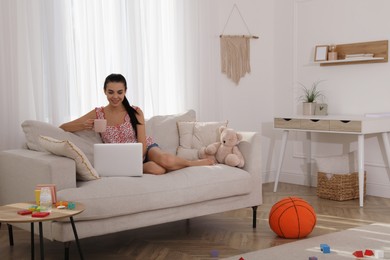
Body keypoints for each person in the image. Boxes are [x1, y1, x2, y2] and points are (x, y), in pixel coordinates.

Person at [60, 73, 214, 175]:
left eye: (119, 92)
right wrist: (85, 125)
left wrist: (138, 159)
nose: (115, 96)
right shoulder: (98, 113)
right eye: (111, 92)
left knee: (165, 160)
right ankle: (164, 166)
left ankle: (193, 163)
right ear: (104, 91)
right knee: (158, 170)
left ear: (125, 91)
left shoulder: (135, 111)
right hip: (122, 159)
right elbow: (64, 127)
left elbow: (142, 144)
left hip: (144, 150)